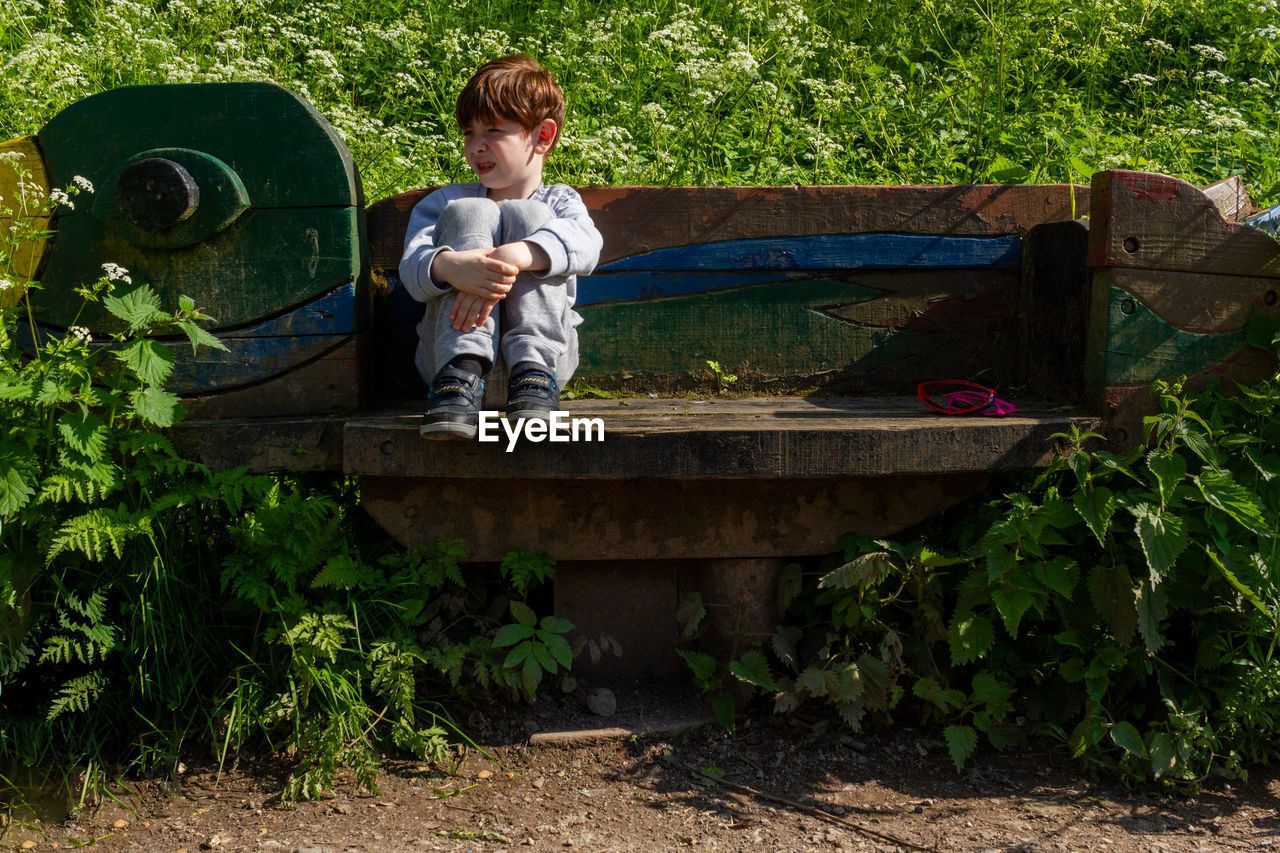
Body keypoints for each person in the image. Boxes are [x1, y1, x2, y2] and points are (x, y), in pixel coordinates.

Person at [398, 54, 603, 438]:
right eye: (468, 133)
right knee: (471, 211)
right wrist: (451, 268)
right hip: (448, 373)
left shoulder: (559, 201)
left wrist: (518, 253)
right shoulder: (446, 202)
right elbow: (412, 268)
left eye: (492, 131)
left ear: (542, 136)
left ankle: (531, 368)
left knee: (532, 216)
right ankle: (466, 366)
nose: (476, 146)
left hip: (542, 374)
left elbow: (588, 243)